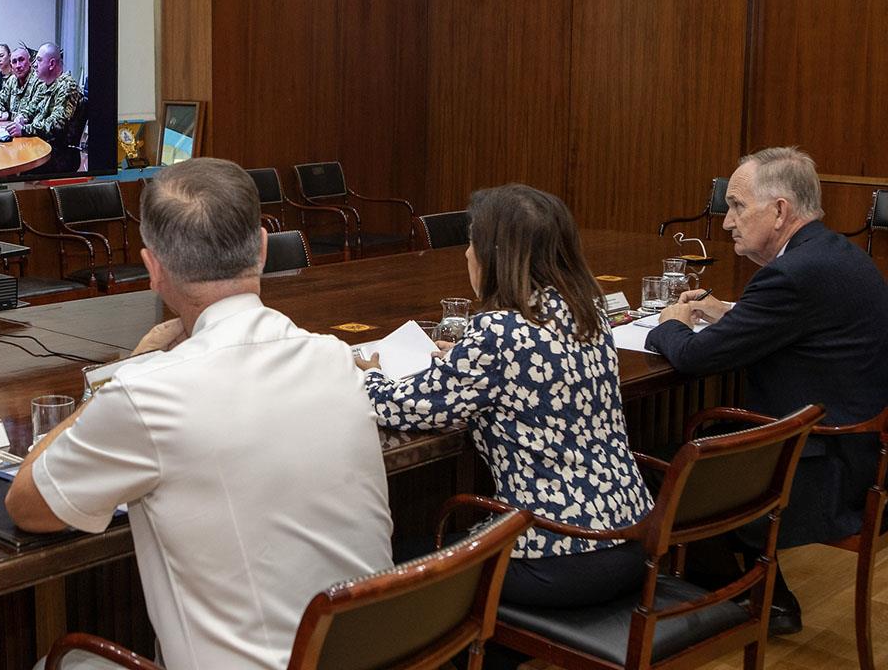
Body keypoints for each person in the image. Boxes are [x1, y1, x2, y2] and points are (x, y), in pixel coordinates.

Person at [6, 158, 393, 670]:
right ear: (261, 247)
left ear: (153, 269)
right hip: (377, 654)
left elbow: (28, 505)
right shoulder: (335, 358)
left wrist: (127, 373)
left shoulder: (147, 392)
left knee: (61, 663)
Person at [357, 183, 653, 611]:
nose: (465, 254)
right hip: (631, 536)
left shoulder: (499, 332)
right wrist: (464, 359)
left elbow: (401, 406)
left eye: (472, 243)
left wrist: (371, 376)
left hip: (557, 557)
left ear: (495, 256)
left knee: (397, 568)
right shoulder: (587, 310)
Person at [646, 146, 888, 633]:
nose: (728, 219)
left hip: (822, 474)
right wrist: (729, 313)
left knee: (656, 468)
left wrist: (669, 323)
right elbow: (804, 329)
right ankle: (757, 595)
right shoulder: (833, 253)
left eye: (737, 205)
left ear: (780, 211)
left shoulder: (792, 275)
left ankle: (744, 601)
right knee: (697, 442)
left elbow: (695, 357)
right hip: (860, 454)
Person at [9, 42, 82, 171]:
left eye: (39, 60)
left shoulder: (66, 86)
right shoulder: (44, 85)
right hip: (39, 144)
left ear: (52, 64)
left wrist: (25, 130)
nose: (34, 64)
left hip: (56, 152)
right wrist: (21, 117)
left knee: (12, 162)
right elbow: (30, 108)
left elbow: (56, 124)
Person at [0, 45, 39, 121]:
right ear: (11, 65)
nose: (18, 65)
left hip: (29, 131)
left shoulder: (38, 80)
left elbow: (33, 113)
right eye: (14, 62)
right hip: (11, 128)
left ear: (29, 62)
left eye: (21, 60)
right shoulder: (12, 80)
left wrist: (8, 115)